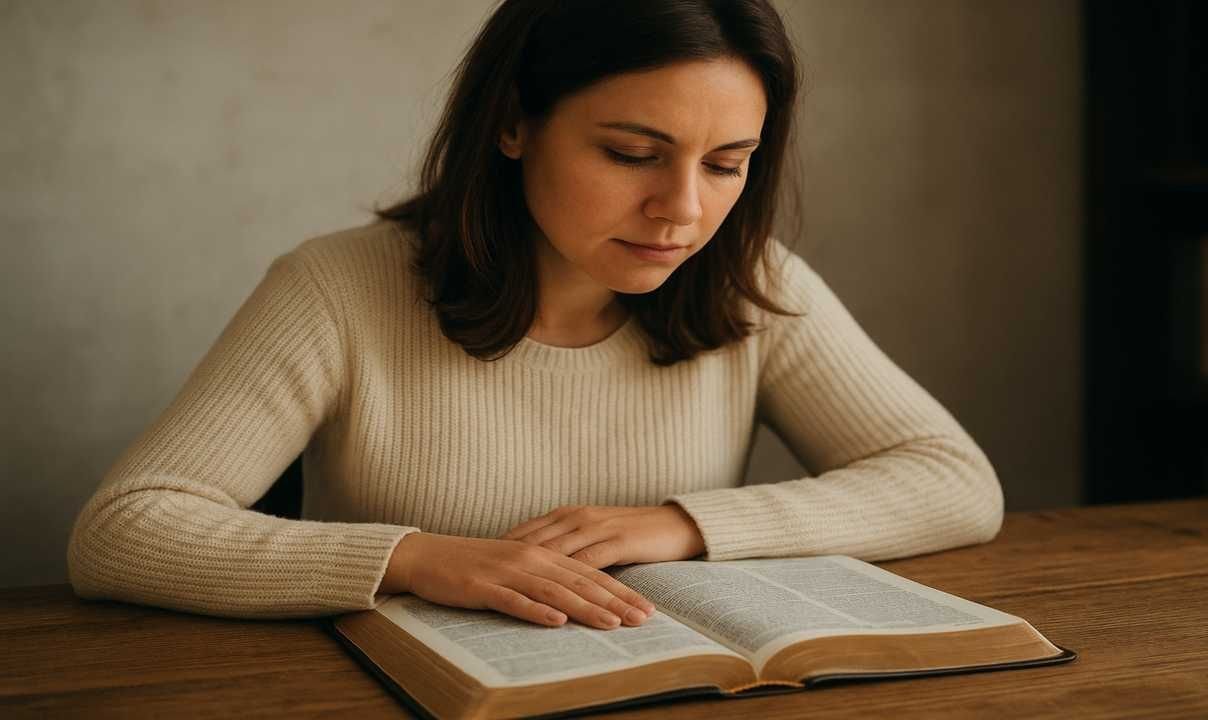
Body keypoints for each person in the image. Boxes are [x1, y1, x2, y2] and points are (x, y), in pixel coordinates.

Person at [66, 0, 1003, 631]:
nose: (682, 210)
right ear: (513, 123)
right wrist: (415, 558)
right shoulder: (338, 288)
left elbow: (955, 481)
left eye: (726, 164)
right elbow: (125, 529)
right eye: (634, 153)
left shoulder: (751, 281)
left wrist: (679, 524)